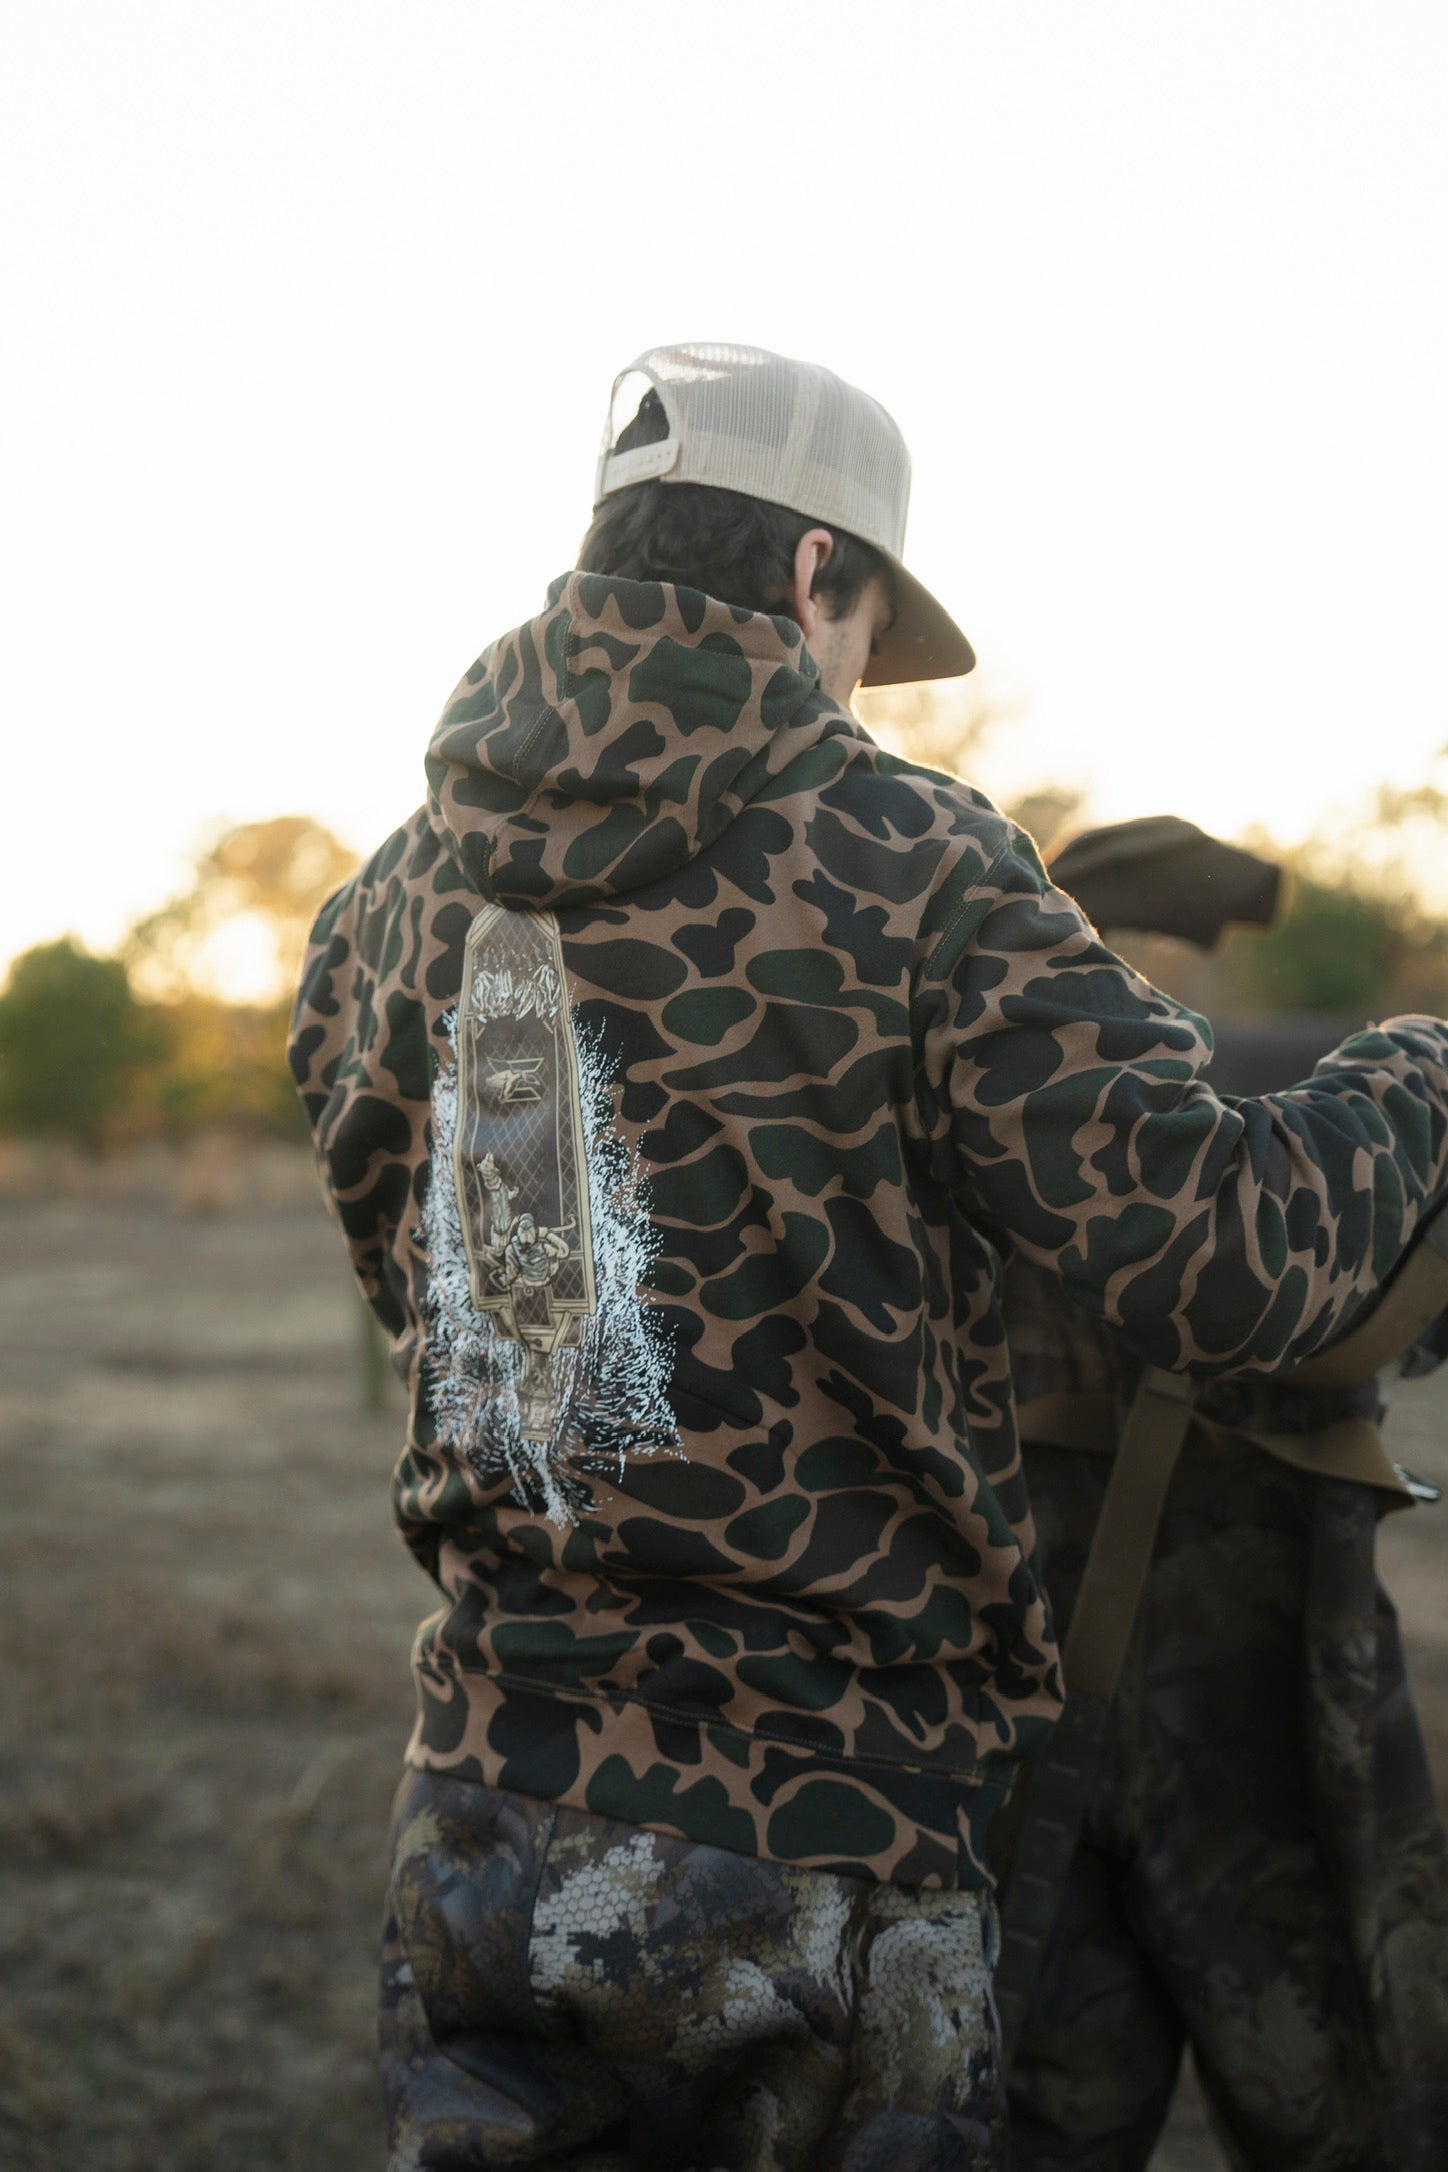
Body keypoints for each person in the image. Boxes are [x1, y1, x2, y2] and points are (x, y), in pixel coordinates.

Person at [289, 341, 1448, 2172]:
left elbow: (428, 1295)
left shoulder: (386, 899)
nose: (855, 681)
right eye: (868, 630)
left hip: (483, 1818)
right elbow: (1232, 1263)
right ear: (816, 567)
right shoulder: (917, 860)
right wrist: (1417, 1077)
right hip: (832, 1840)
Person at [992, 825, 1448, 2172]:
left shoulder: (981, 1112)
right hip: (1275, 1697)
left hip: (1027, 1693)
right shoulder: (1330, 1123)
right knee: (1363, 2097)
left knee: (1037, 2106)